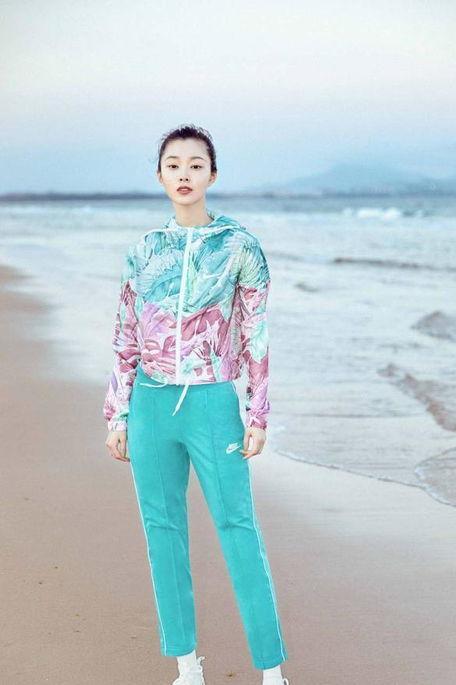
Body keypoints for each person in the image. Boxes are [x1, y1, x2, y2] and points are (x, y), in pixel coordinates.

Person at [103, 124, 290, 685]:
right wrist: (118, 413)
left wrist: (258, 413)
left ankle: (272, 671)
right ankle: (187, 667)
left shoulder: (240, 246)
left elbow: (256, 334)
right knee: (162, 530)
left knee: (238, 526)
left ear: (212, 174)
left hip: (212, 401)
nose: (184, 174)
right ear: (159, 175)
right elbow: (125, 337)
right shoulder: (144, 251)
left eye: (195, 165)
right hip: (151, 405)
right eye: (174, 165)